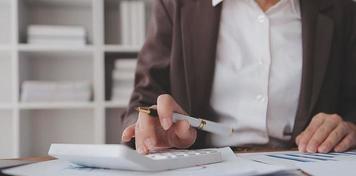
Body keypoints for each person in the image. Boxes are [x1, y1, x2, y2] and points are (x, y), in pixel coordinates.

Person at [121, 0, 356, 155]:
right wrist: (150, 127)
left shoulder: (342, 10)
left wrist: (348, 127)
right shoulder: (177, 4)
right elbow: (143, 99)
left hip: (305, 169)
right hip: (204, 168)